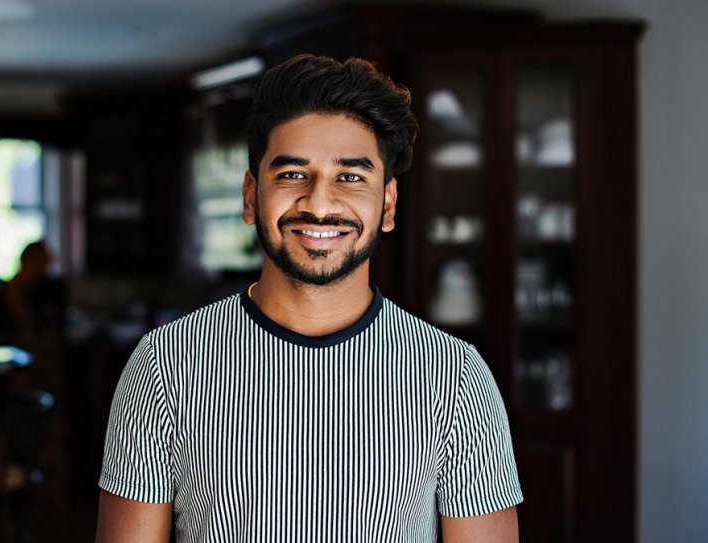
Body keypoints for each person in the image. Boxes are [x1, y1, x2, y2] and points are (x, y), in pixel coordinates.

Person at [96, 54, 522, 542]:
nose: (319, 204)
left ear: (387, 205)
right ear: (251, 197)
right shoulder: (164, 364)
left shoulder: (455, 376)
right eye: (293, 175)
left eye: (351, 177)